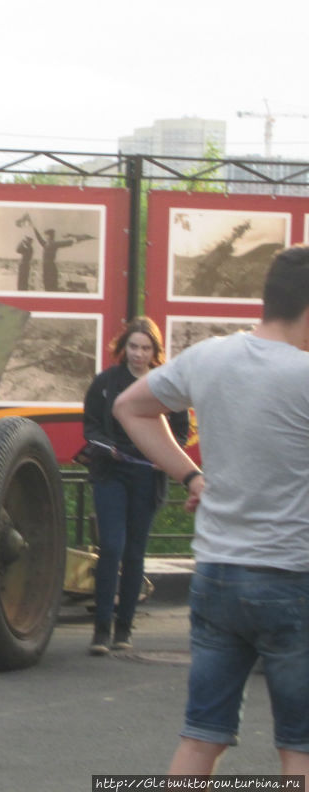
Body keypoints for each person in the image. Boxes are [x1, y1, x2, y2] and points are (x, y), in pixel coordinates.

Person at [113, 245, 309, 781]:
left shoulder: (210, 357)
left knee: (202, 738)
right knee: (299, 749)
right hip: (294, 579)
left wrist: (190, 475)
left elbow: (129, 406)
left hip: (218, 575)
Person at [80, 316, 188, 655]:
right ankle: (101, 629)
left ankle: (124, 629)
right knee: (111, 546)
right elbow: (91, 425)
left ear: (155, 352)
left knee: (134, 551)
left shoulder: (164, 385)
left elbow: (182, 431)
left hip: (148, 474)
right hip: (111, 471)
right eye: (133, 346)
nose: (138, 354)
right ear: (123, 347)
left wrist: (167, 457)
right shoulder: (106, 382)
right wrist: (105, 446)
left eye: (145, 348)